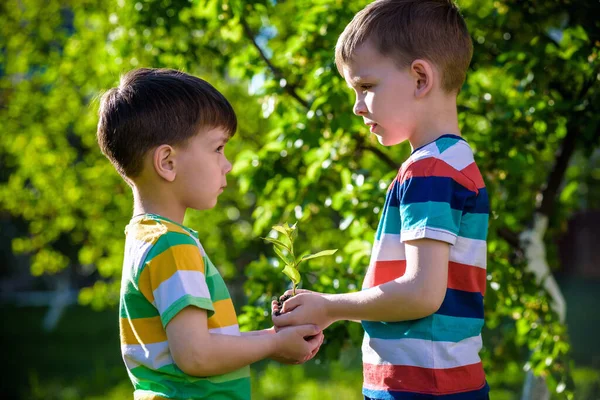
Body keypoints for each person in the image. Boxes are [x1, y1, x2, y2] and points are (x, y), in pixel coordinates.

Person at [272, 1, 490, 399]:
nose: (356, 106)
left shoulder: (429, 170)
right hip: (445, 382)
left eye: (366, 87)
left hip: (420, 387)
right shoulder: (455, 161)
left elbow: (422, 292)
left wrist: (330, 307)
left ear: (421, 77)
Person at [96, 68, 323, 400]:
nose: (227, 164)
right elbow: (196, 356)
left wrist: (271, 337)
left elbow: (197, 345)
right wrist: (273, 342)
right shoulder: (172, 244)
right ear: (167, 162)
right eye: (218, 148)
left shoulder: (146, 238)